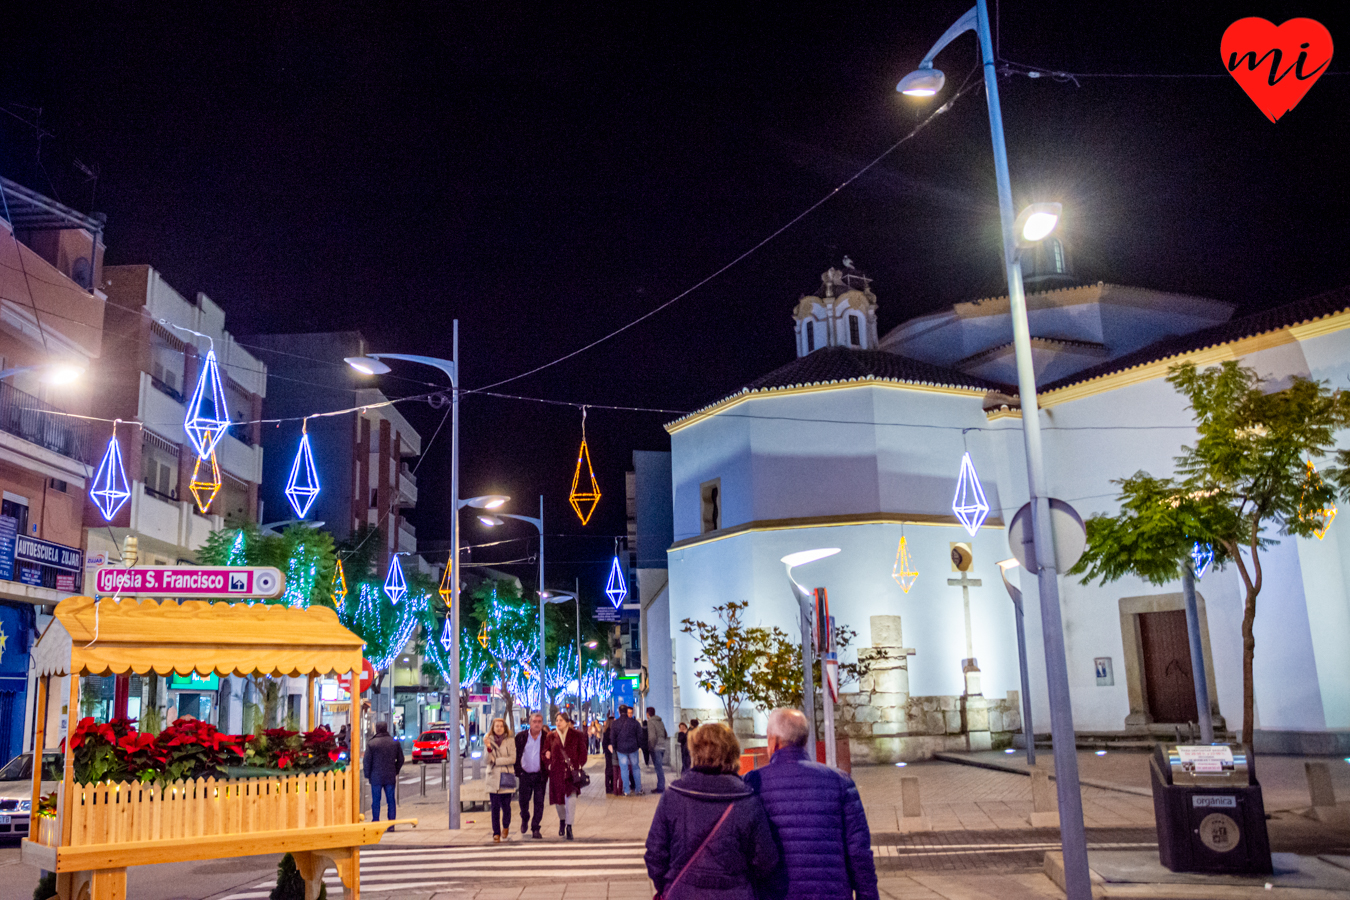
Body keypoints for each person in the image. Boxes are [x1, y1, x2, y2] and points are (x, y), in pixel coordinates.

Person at [744, 709, 879, 900]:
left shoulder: (752, 783)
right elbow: (859, 853)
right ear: (804, 741)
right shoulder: (841, 782)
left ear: (774, 742)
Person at [644, 722, 780, 900]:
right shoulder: (747, 799)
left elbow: (655, 853)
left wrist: (668, 885)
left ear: (694, 752)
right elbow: (765, 860)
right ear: (732, 753)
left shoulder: (674, 795)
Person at [545, 712, 588, 840]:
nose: (558, 722)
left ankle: (569, 826)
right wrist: (548, 763)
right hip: (556, 772)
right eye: (557, 720)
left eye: (561, 720)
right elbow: (544, 752)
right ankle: (562, 820)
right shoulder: (551, 736)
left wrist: (579, 765)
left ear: (567, 722)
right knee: (559, 802)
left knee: (571, 800)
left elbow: (583, 752)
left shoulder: (576, 735)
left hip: (571, 773)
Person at [514, 711, 549, 838]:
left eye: (539, 722)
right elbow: (516, 755)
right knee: (523, 801)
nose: (537, 724)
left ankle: (536, 827)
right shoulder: (521, 737)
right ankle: (525, 817)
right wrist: (517, 771)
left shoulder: (546, 737)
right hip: (525, 775)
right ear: (530, 723)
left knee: (539, 802)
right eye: (534, 722)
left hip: (540, 775)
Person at [363, 720, 404, 824]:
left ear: (377, 729)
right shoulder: (394, 742)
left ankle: (376, 821)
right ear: (386, 728)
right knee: (391, 800)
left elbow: (367, 761)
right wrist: (396, 770)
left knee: (376, 801)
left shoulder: (371, 743)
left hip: (375, 776)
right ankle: (391, 823)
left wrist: (368, 775)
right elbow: (401, 759)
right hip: (390, 775)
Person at [485, 717, 517, 843]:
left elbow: (512, 758)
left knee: (506, 807)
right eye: (496, 726)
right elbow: (486, 761)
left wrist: (497, 761)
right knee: (494, 807)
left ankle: (506, 826)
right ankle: (496, 833)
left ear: (505, 728)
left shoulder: (510, 741)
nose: (498, 728)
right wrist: (488, 748)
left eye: (501, 726)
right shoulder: (488, 740)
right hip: (493, 777)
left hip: (506, 777)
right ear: (493, 728)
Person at [609, 705, 644, 796]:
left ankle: (626, 791)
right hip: (633, 748)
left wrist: (615, 747)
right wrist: (638, 745)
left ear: (619, 712)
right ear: (627, 711)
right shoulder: (634, 722)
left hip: (621, 749)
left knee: (624, 769)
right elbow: (640, 735)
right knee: (636, 768)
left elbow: (612, 737)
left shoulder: (615, 723)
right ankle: (638, 789)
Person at [646, 706, 668, 793]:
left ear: (648, 714)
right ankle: (660, 786)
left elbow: (652, 737)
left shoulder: (650, 722)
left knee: (658, 768)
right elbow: (665, 733)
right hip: (663, 746)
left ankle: (661, 787)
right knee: (659, 767)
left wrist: (651, 747)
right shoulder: (660, 722)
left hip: (656, 748)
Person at [602, 713, 617, 794]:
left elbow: (604, 744)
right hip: (613, 753)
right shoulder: (613, 732)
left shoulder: (605, 732)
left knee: (608, 769)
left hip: (607, 754)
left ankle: (608, 786)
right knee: (613, 769)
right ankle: (612, 785)